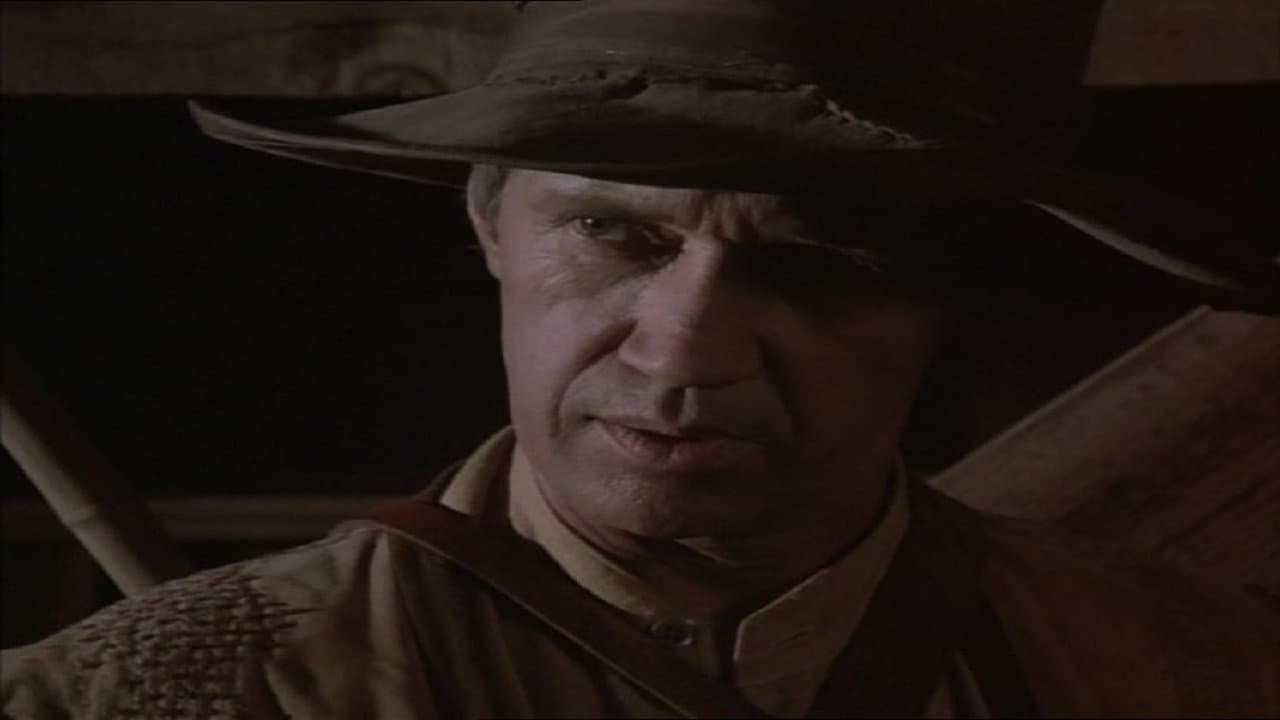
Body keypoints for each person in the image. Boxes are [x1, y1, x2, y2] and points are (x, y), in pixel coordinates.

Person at [4, 2, 1277, 718]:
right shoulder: (126, 702)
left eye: (816, 261)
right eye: (612, 232)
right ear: (490, 227)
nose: (682, 350)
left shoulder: (1195, 674)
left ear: (959, 295)